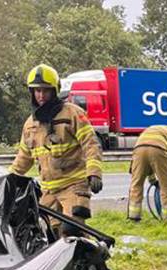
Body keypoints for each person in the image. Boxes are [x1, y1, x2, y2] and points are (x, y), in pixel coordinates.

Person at [7, 64, 103, 233]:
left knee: (72, 231)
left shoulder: (73, 114)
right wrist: (6, 181)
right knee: (51, 235)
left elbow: (91, 143)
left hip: (74, 186)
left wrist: (94, 172)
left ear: (55, 90)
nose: (41, 95)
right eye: (37, 90)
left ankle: (89, 250)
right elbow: (23, 159)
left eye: (46, 90)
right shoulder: (30, 124)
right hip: (48, 192)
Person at [127, 125, 167, 221]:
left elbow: (149, 166)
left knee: (136, 184)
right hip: (159, 149)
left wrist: (153, 181)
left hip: (139, 149)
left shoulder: (151, 130)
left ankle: (133, 217)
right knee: (166, 186)